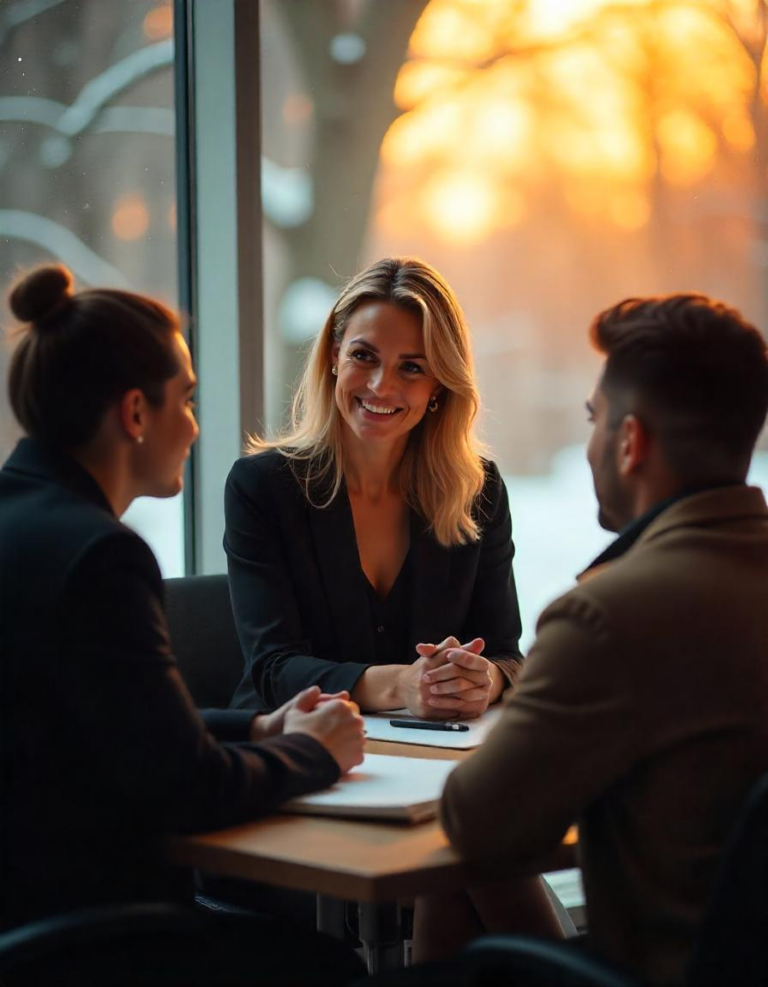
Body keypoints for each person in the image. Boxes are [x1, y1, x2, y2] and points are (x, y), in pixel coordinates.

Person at [0, 265, 365, 984]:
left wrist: (257, 729)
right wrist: (318, 753)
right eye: (188, 400)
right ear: (136, 413)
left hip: (23, 919)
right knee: (329, 968)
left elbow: (108, 719)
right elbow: (188, 786)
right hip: (96, 944)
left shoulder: (25, 524)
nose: (196, 426)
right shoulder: (100, 555)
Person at [429, 292, 768, 985]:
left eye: (595, 418)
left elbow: (476, 826)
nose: (589, 441)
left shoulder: (607, 616)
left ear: (630, 440)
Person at [225, 256, 523, 719]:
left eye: (412, 368)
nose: (382, 386)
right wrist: (402, 685)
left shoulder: (478, 492)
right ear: (333, 356)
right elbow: (272, 668)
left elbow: (506, 652)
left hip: (432, 752)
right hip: (293, 749)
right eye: (364, 356)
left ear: (440, 384)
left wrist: (484, 680)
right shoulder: (262, 487)